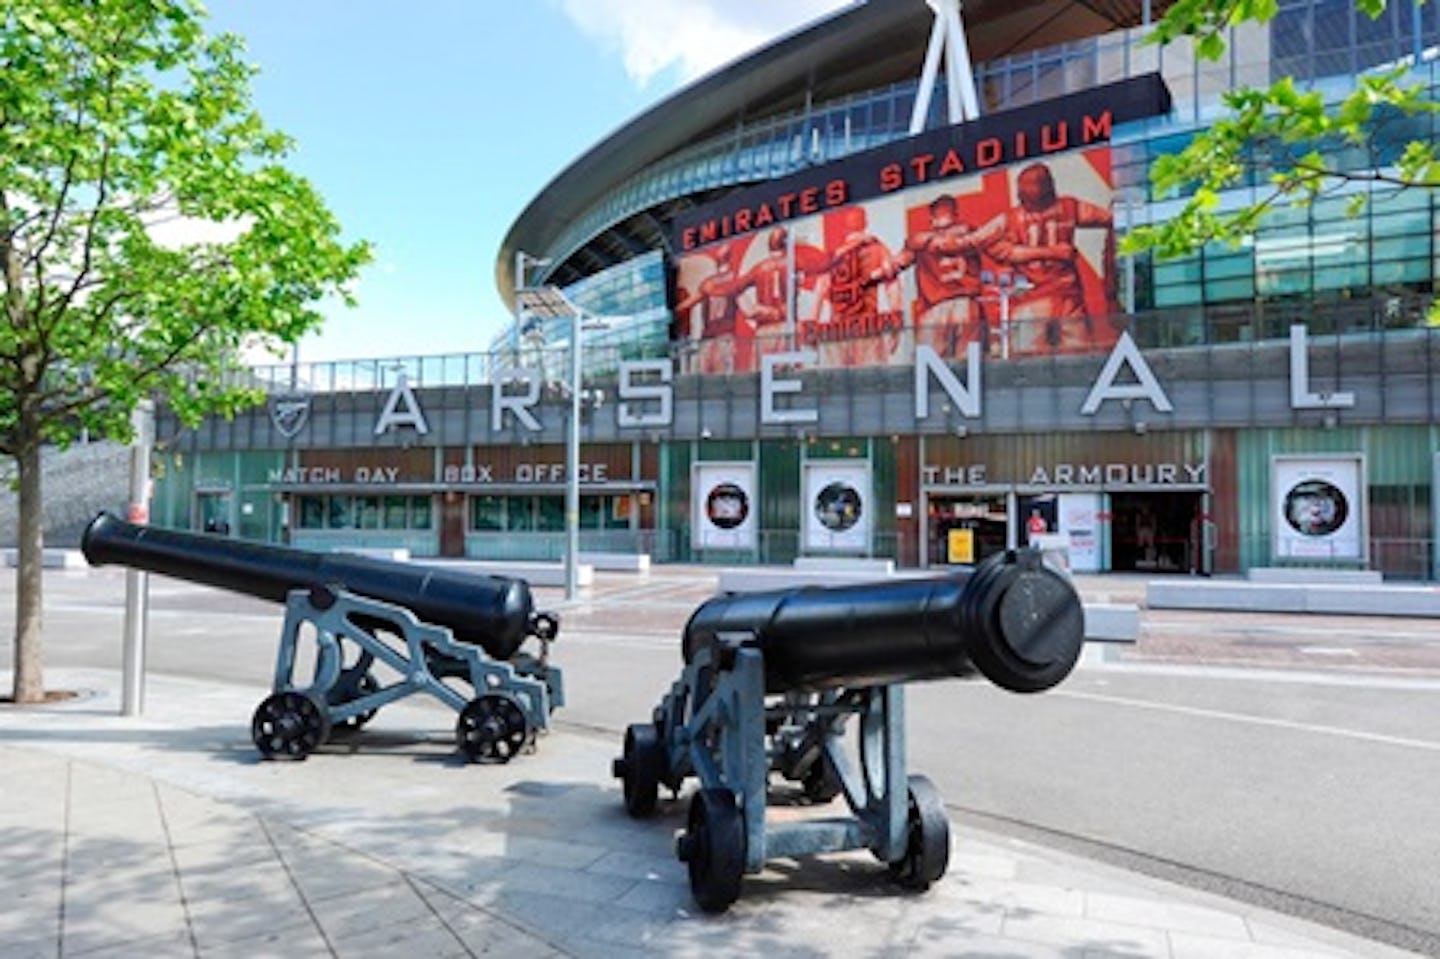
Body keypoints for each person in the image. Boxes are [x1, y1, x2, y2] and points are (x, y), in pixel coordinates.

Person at [982, 161, 1116, 355]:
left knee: (1031, 363)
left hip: (1043, 299)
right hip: (1058, 297)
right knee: (1076, 357)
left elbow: (979, 243)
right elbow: (1111, 218)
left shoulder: (1010, 218)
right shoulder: (1069, 207)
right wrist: (1053, 252)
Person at [884, 194, 988, 357]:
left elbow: (895, 265)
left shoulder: (919, 240)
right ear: (955, 214)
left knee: (930, 369)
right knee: (970, 366)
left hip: (935, 308)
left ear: (932, 217)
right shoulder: (972, 232)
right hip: (966, 305)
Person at [809, 206, 903, 367]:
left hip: (837, 331)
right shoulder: (877, 248)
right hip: (867, 328)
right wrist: (896, 325)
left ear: (845, 226)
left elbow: (819, 291)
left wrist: (812, 327)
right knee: (871, 386)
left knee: (837, 388)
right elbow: (893, 287)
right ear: (865, 222)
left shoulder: (834, 256)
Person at [674, 244, 751, 374]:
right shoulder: (734, 281)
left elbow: (687, 304)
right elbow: (749, 310)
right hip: (725, 336)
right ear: (731, 259)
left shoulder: (707, 283)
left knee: (704, 379)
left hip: (707, 338)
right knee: (724, 380)